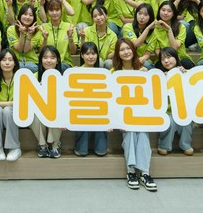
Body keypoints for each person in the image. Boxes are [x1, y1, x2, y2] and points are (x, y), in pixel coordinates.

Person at [114, 38, 156, 191]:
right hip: (123, 115)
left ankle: (144, 173)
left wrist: (146, 77)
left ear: (133, 50)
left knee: (143, 132)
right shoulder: (114, 73)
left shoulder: (143, 71)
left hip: (141, 114)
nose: (126, 52)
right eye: (122, 50)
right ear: (118, 54)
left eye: (128, 48)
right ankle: (131, 171)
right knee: (130, 132)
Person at [156, 47, 194, 156]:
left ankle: (186, 145)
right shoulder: (160, 75)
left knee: (187, 122)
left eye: (169, 57)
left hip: (183, 109)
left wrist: (185, 73)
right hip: (167, 111)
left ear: (176, 57)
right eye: (163, 59)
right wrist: (162, 79)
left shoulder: (184, 71)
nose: (166, 61)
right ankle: (164, 146)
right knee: (170, 123)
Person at [73, 41, 108, 157]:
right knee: (81, 152)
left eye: (93, 53)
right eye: (87, 54)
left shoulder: (103, 73)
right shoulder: (75, 71)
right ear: (82, 55)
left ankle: (100, 147)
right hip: (81, 108)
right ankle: (81, 147)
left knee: (101, 151)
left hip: (99, 108)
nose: (91, 57)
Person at [31, 45, 64, 158]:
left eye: (52, 57)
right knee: (35, 116)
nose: (49, 60)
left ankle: (55, 144)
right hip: (38, 110)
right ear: (41, 60)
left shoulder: (64, 77)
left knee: (57, 113)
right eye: (45, 57)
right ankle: (42, 144)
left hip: (56, 110)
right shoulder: (34, 76)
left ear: (57, 60)